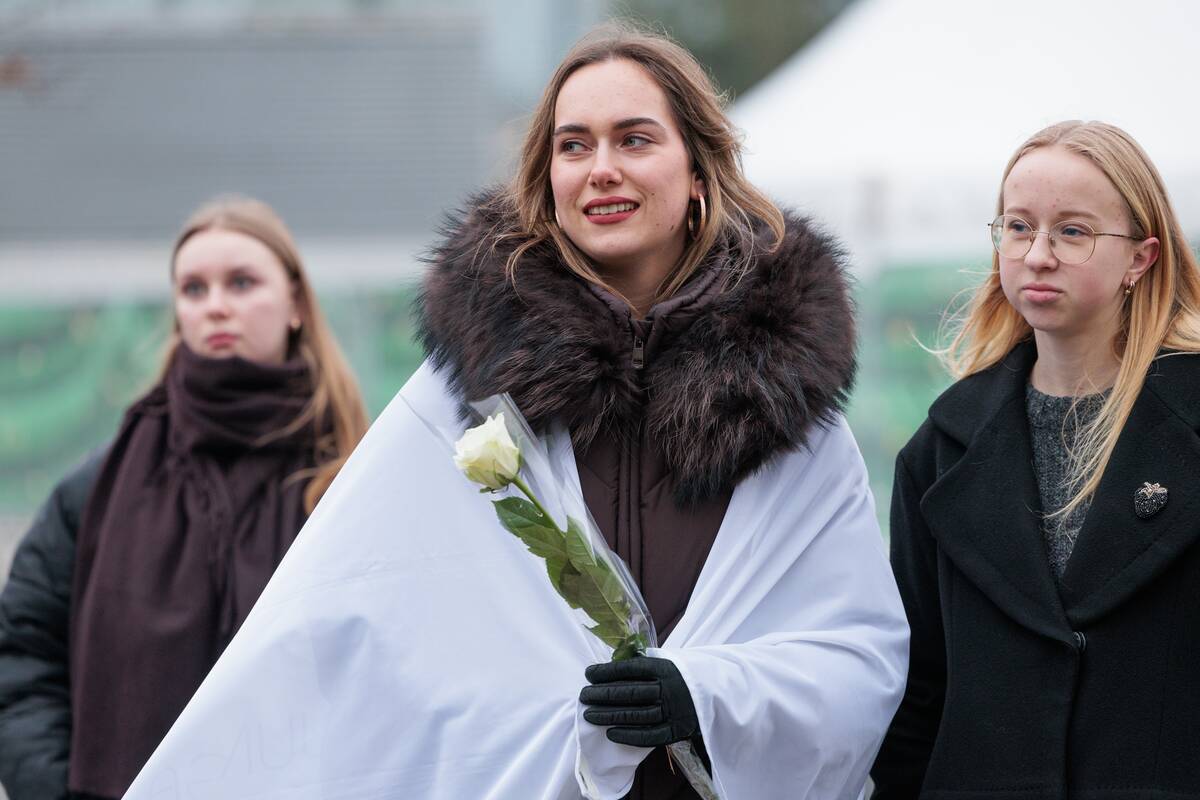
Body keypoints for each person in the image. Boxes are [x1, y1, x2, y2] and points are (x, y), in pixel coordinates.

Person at [416, 25, 907, 799]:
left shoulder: (790, 417)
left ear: (700, 173)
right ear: (548, 182)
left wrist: (706, 695)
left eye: (634, 140)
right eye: (573, 147)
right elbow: (402, 624)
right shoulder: (471, 400)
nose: (602, 169)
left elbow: (859, 657)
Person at [870, 120, 1200, 798]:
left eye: (1073, 232)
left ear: (1141, 257)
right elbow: (915, 689)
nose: (1038, 255)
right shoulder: (938, 454)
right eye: (1018, 227)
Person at [0, 196, 369, 800]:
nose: (216, 306)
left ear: (297, 303)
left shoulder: (354, 483)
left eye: (242, 282)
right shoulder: (95, 491)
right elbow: (22, 657)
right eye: (193, 289)